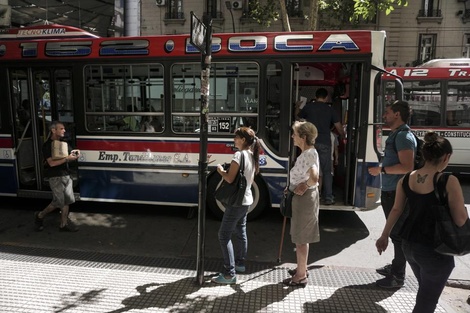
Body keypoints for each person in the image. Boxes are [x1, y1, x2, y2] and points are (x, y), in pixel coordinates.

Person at [376, 132, 468, 313]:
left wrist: (384, 236)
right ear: (446, 156)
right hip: (435, 249)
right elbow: (460, 219)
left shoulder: (406, 179)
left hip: (409, 246)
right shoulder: (448, 180)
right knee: (426, 301)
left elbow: (396, 210)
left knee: (426, 291)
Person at [368, 100, 417, 289]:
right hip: (392, 190)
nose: (384, 116)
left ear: (397, 114)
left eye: (387, 112)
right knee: (397, 233)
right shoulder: (399, 135)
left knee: (398, 235)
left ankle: (398, 276)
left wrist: (382, 170)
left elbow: (407, 166)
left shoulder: (403, 136)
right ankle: (397, 266)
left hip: (397, 192)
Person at [211, 127, 261, 284]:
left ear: (243, 140)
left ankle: (229, 273)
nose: (234, 140)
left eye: (236, 137)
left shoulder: (238, 155)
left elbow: (230, 178)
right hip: (246, 200)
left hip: (236, 203)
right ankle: (239, 263)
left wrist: (220, 170)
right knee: (241, 231)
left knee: (223, 235)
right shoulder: (252, 156)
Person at [283, 120, 320, 287]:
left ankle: (300, 275)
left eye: (295, 134)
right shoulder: (308, 153)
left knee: (301, 238)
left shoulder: (308, 154)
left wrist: (305, 186)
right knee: (301, 237)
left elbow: (314, 177)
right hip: (304, 197)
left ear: (303, 137)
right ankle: (302, 268)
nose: (292, 136)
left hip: (304, 199)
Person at [296, 88, 345, 205]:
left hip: (310, 142)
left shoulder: (308, 107)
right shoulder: (330, 110)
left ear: (316, 96)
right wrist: (343, 136)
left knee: (309, 169)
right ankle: (328, 197)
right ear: (326, 97)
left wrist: (297, 107)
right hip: (324, 143)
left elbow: (298, 118)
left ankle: (310, 195)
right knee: (327, 171)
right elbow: (338, 127)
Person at [34, 121, 80, 232]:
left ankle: (63, 225)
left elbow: (71, 153)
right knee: (58, 202)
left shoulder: (63, 143)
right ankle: (40, 215)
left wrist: (76, 152)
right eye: (61, 128)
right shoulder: (47, 146)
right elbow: (51, 163)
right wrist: (67, 159)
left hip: (66, 175)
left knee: (66, 201)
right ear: (53, 130)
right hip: (55, 176)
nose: (64, 130)